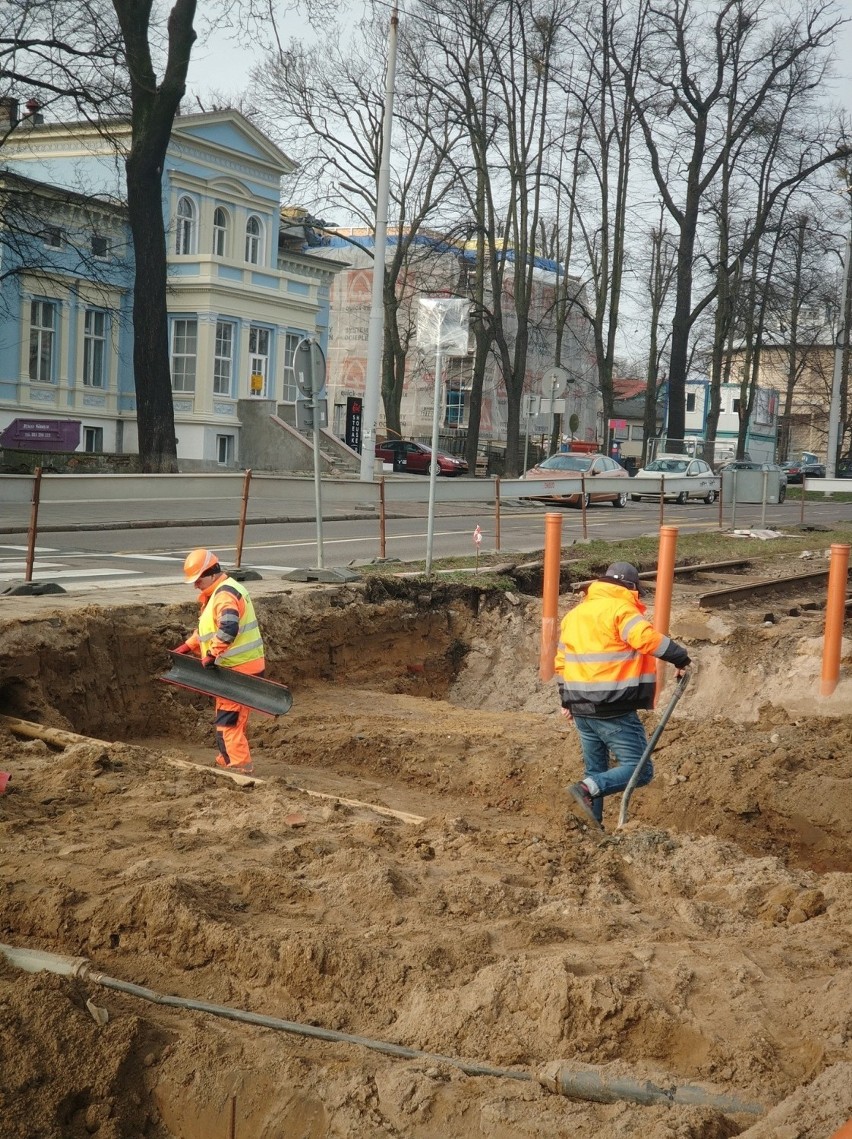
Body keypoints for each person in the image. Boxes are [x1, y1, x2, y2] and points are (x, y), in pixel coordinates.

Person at [554, 561, 690, 829]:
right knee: (640, 770)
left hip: (580, 707)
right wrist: (681, 658)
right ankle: (583, 790)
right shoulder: (620, 608)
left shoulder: (574, 615)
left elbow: (562, 662)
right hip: (611, 707)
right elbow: (646, 638)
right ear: (630, 587)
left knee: (596, 771)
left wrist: (565, 700)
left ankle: (591, 828)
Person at [173, 549, 266, 774]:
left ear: (212, 573)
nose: (195, 585)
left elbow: (228, 628)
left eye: (198, 580)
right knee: (231, 720)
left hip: (236, 671)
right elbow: (210, 629)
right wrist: (189, 646)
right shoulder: (220, 592)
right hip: (240, 668)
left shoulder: (224, 595)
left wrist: (212, 654)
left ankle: (240, 766)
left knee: (228, 723)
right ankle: (227, 759)